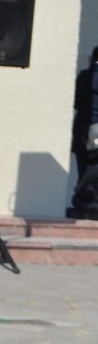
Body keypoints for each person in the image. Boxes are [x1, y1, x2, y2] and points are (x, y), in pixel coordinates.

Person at [70, 47, 98, 218]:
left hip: (84, 128)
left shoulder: (84, 77)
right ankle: (87, 202)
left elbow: (76, 102)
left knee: (86, 166)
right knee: (94, 167)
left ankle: (85, 205)